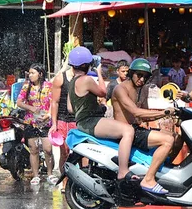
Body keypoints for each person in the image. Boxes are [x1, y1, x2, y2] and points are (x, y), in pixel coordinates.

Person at [66, 47, 136, 183]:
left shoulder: (72, 82)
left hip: (81, 123)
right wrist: (98, 70)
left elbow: (70, 108)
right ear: (87, 65)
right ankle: (123, 170)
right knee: (128, 130)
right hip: (91, 122)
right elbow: (103, 92)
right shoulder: (86, 80)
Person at [111, 59, 181, 195]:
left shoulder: (143, 89)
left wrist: (168, 115)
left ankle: (159, 170)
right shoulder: (120, 89)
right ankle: (148, 179)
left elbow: (145, 115)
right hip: (127, 131)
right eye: (139, 75)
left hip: (138, 128)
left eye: (146, 76)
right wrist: (164, 112)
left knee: (177, 138)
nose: (142, 79)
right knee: (168, 141)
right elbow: (136, 112)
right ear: (131, 73)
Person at [17, 63, 56, 185]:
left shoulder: (49, 86)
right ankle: (36, 175)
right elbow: (19, 102)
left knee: (48, 149)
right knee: (33, 149)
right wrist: (31, 108)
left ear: (40, 74)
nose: (30, 75)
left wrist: (49, 115)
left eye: (33, 73)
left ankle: (50, 174)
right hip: (31, 122)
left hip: (45, 122)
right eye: (29, 73)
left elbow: (54, 102)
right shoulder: (26, 87)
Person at [49, 65, 76, 182]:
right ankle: (65, 181)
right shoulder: (60, 78)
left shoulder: (84, 78)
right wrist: (54, 123)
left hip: (77, 120)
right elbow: (54, 102)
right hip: (62, 119)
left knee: (81, 153)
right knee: (64, 152)